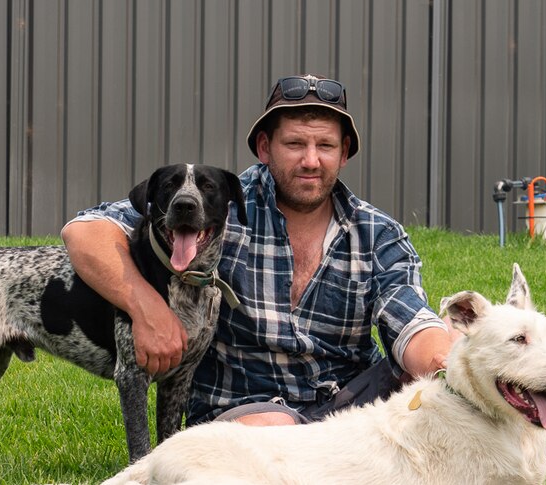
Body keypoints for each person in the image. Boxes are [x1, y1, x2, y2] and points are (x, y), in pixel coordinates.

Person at [61, 74, 459, 427]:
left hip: (350, 402)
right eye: (294, 144)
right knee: (273, 435)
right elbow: (84, 233)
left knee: (437, 377)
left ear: (344, 152)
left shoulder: (377, 233)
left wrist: (446, 366)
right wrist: (147, 309)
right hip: (248, 409)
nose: (310, 160)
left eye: (325, 145)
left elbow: (409, 318)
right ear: (265, 148)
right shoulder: (217, 206)